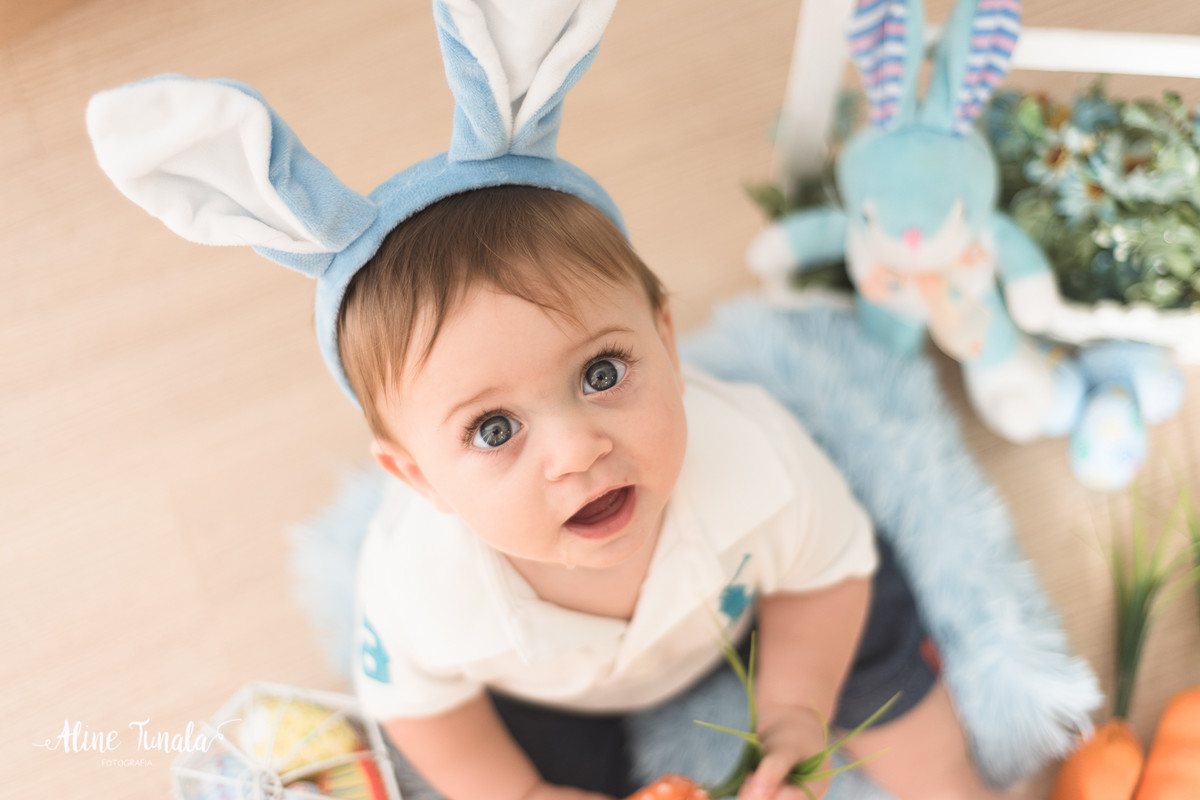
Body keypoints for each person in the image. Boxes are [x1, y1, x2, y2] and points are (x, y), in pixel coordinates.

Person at [347, 185, 1004, 800]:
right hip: (556, 692)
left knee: (871, 638)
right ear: (419, 477)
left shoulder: (757, 461)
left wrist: (794, 710)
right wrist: (522, 793)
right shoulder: (417, 588)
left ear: (665, 339)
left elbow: (825, 574)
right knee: (518, 764)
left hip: (747, 606)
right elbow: (419, 708)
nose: (578, 450)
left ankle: (949, 783)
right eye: (494, 429)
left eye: (601, 373)